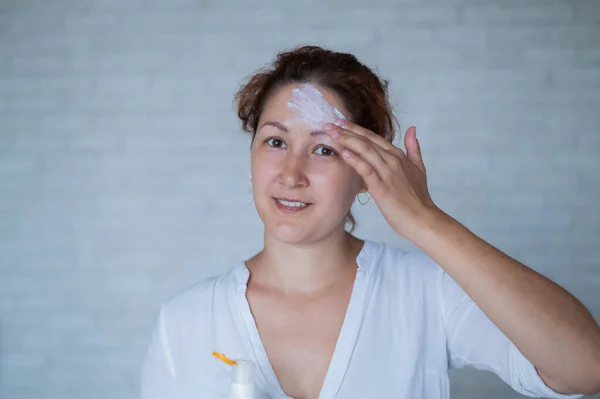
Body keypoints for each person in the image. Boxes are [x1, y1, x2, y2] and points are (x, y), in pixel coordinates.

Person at [140, 45, 600, 399]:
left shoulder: (426, 293)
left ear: (366, 171)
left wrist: (426, 221)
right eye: (275, 142)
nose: (291, 174)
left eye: (324, 149)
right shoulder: (185, 321)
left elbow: (586, 367)